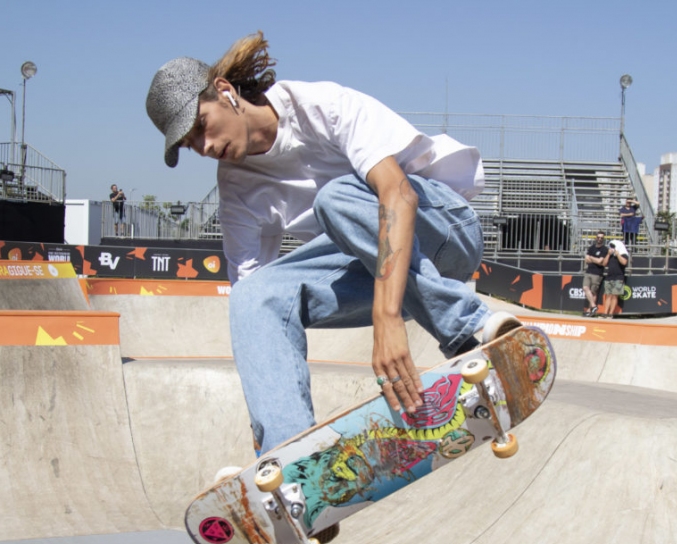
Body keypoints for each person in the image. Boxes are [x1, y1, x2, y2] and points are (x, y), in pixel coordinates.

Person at [146, 32, 501, 458]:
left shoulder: (319, 107)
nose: (205, 148)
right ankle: (295, 458)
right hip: (383, 274)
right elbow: (255, 308)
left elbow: (398, 195)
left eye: (201, 127)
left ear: (225, 92)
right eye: (191, 146)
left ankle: (470, 329)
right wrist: (265, 414)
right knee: (251, 298)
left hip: (443, 233)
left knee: (335, 199)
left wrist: (386, 318)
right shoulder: (236, 189)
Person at [601, 239, 629, 318]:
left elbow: (624, 262)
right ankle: (605, 312)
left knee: (614, 295)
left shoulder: (623, 254)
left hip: (618, 277)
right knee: (608, 295)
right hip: (609, 276)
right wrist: (608, 255)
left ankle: (611, 313)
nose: (612, 248)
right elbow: (604, 263)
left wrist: (618, 255)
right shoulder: (609, 255)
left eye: (613, 246)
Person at [582, 231, 608, 316]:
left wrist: (592, 258)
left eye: (601, 238)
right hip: (589, 271)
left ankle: (590, 311)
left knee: (593, 292)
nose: (599, 239)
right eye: (598, 237)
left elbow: (600, 261)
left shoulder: (604, 249)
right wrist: (595, 260)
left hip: (597, 273)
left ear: (603, 239)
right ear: (596, 238)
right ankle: (593, 306)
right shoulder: (592, 248)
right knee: (585, 288)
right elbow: (586, 259)